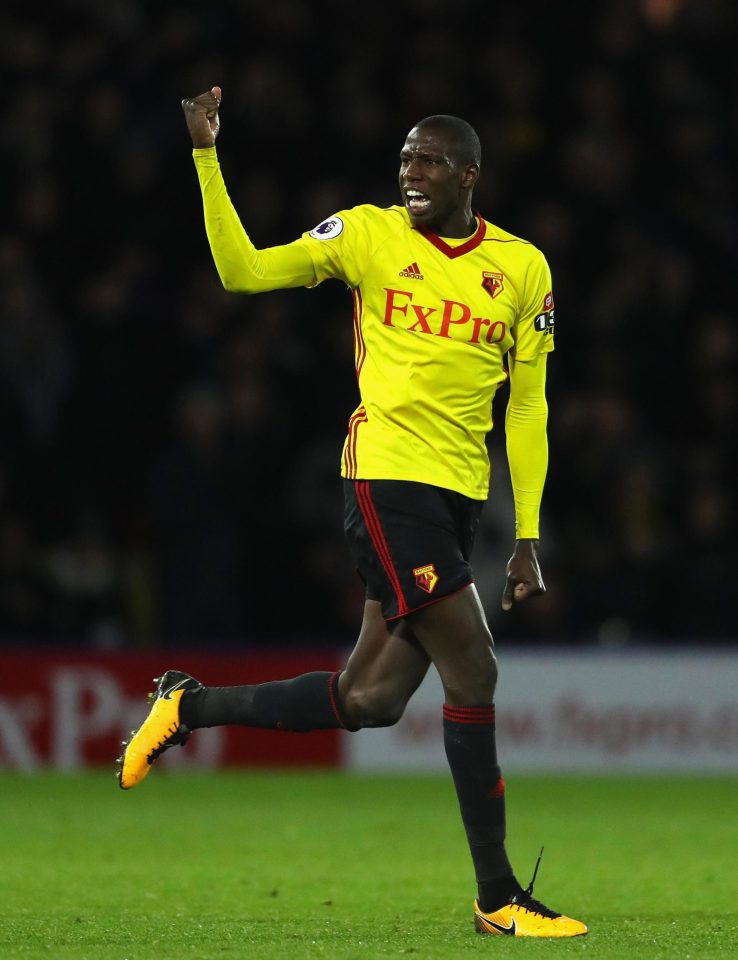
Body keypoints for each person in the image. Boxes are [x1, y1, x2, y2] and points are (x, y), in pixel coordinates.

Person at [117, 86, 586, 939]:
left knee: (368, 699)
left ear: (470, 175)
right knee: (474, 669)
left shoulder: (521, 267)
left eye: (430, 160)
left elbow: (529, 408)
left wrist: (526, 534)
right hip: (384, 479)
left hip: (457, 498)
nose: (411, 171)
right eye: (405, 156)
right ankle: (498, 897)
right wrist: (206, 155)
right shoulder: (367, 234)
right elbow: (243, 272)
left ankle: (185, 707)